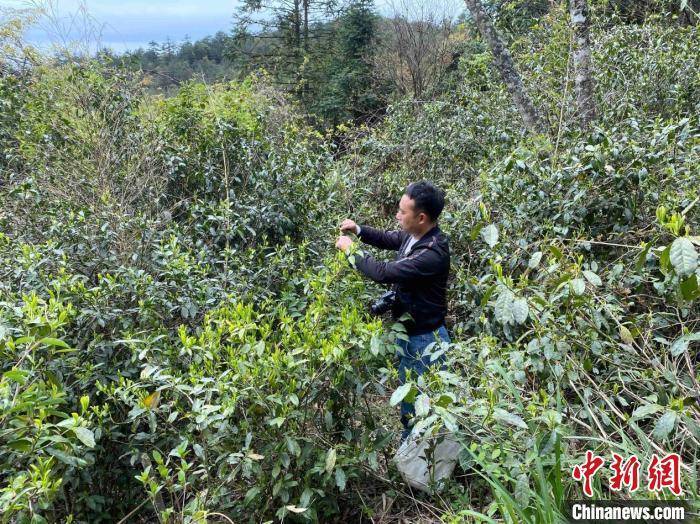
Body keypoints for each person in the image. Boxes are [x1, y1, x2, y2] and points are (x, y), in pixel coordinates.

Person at [335, 181, 450, 440]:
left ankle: (422, 469)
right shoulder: (415, 235)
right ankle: (411, 459)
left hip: (426, 342)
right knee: (410, 404)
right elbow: (390, 238)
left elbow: (383, 273)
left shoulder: (432, 253)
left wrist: (350, 250)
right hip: (410, 336)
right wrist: (358, 230)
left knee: (424, 410)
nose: (397, 216)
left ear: (421, 217)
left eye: (402, 212)